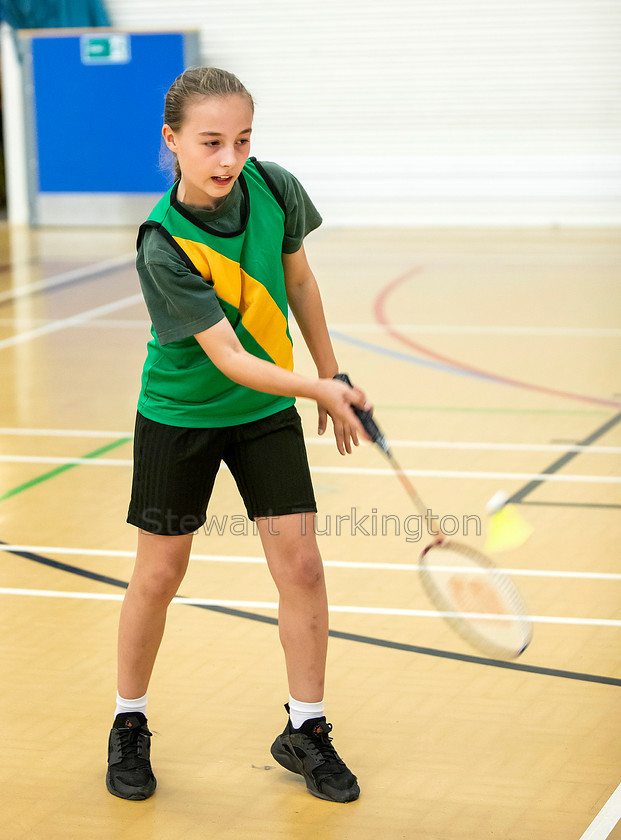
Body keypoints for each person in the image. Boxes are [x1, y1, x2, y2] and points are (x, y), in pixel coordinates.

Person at [106, 66, 370, 805]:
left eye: (242, 140)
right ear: (174, 141)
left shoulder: (273, 187)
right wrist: (321, 389)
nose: (229, 159)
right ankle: (128, 721)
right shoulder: (163, 242)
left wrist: (331, 370)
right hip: (180, 419)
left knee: (302, 568)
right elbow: (229, 359)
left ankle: (305, 729)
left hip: (263, 418)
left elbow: (302, 283)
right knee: (158, 575)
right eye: (211, 142)